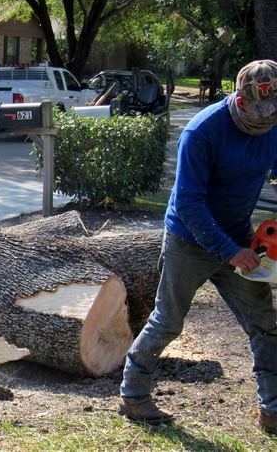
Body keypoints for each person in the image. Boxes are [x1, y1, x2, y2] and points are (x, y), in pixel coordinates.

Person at [118, 59, 277, 435]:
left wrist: (241, 246)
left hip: (239, 234)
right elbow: (189, 203)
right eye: (258, 115)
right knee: (167, 321)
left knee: (265, 324)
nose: (265, 122)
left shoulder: (274, 123)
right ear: (240, 101)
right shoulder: (203, 131)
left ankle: (272, 408)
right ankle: (134, 396)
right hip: (189, 240)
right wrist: (230, 251)